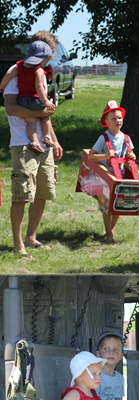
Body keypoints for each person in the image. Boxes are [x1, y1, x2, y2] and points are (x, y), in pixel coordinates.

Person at [5, 30, 63, 260]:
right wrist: (40, 112)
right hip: (23, 143)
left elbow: (46, 115)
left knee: (41, 193)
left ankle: (32, 237)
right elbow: (11, 108)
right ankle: (19, 245)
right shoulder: (17, 75)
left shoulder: (41, 75)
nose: (51, 58)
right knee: (21, 195)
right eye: (51, 54)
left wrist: (55, 141)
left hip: (45, 146)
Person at [87, 100, 137, 243]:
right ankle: (109, 233)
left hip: (119, 177)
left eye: (119, 118)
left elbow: (130, 155)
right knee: (106, 206)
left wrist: (132, 156)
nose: (118, 121)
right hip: (105, 177)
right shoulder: (103, 138)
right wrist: (105, 156)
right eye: (114, 118)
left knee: (118, 205)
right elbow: (91, 156)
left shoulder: (126, 138)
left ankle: (111, 231)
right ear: (106, 121)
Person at [0, 40, 56, 153]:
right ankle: (46, 136)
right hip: (35, 99)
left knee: (31, 121)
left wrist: (2, 86)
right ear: (43, 59)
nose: (47, 62)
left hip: (22, 100)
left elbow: (8, 75)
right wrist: (46, 103)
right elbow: (39, 87)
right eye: (47, 59)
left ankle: (34, 141)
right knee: (45, 116)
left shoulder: (19, 67)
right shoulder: (39, 70)